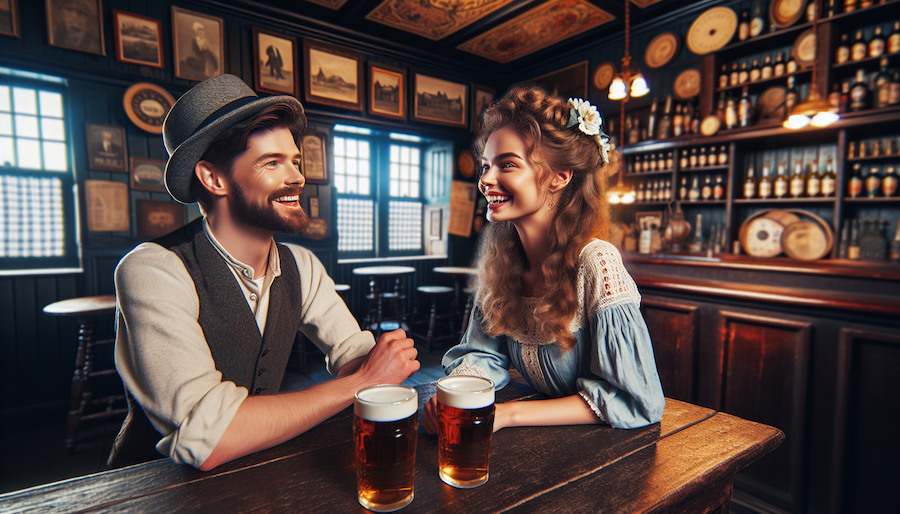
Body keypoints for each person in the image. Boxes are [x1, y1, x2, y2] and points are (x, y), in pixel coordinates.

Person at [110, 74, 419, 471]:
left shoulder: (301, 265)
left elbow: (358, 357)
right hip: (150, 491)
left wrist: (370, 368)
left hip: (254, 475)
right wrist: (360, 382)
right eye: (272, 162)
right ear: (213, 178)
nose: (297, 177)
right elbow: (210, 438)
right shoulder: (154, 269)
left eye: (295, 161)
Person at [422, 84, 664, 435]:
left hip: (608, 451)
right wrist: (458, 394)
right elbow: (481, 355)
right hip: (543, 447)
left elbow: (639, 400)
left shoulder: (598, 263)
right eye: (486, 166)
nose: (486, 180)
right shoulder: (502, 262)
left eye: (507, 164)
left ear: (559, 176)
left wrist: (509, 415)